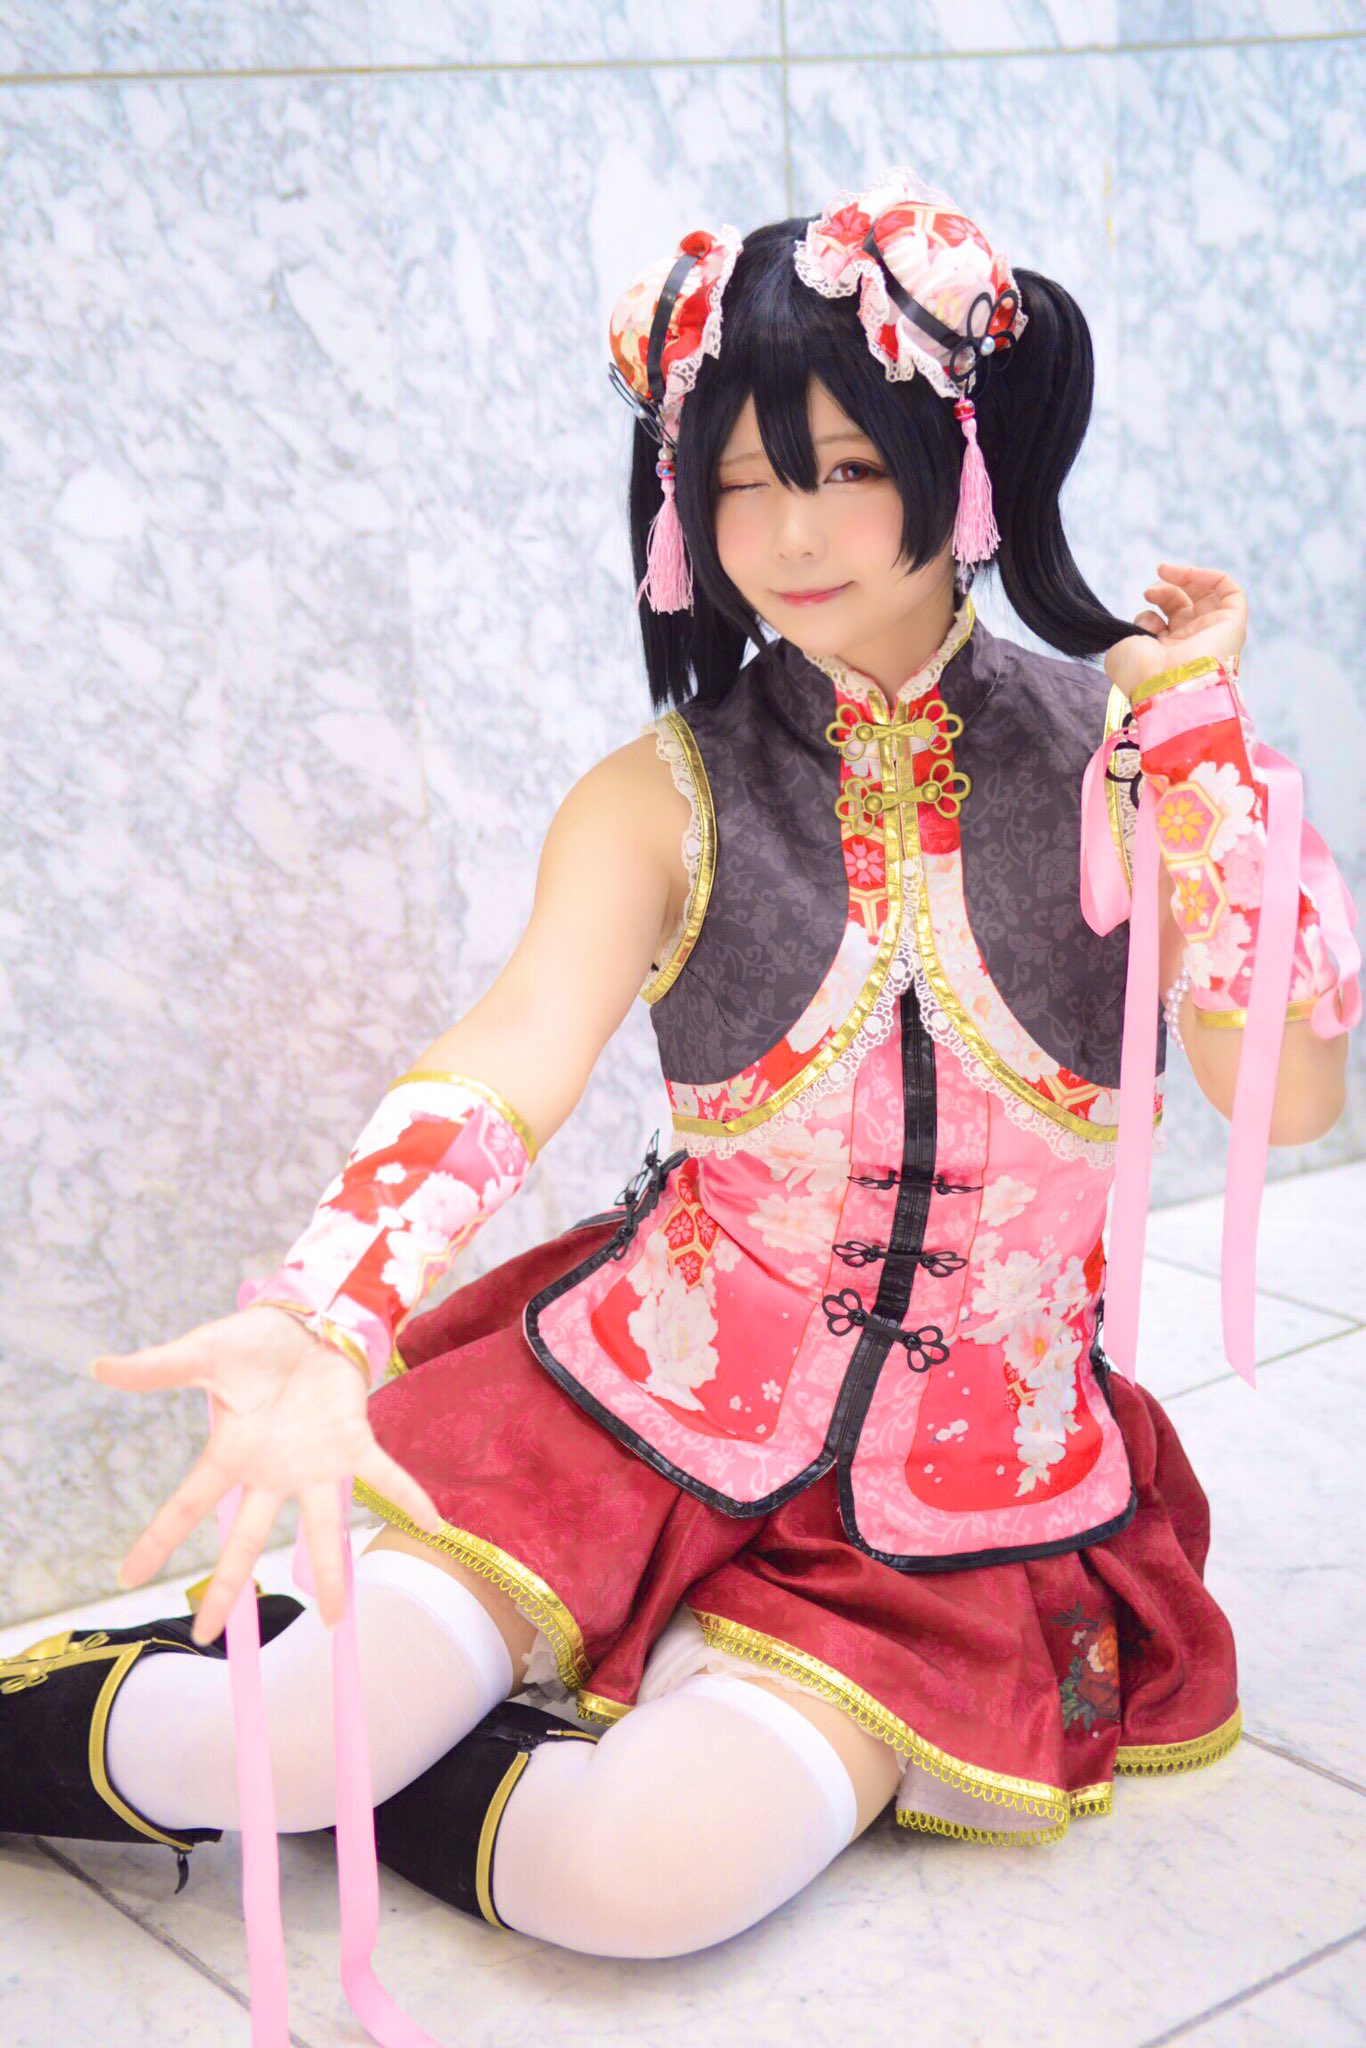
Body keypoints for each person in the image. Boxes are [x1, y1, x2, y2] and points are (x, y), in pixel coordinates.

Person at [4, 168, 1356, 2026]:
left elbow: (1282, 1101)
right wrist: (326, 1308)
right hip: (628, 1402)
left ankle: (472, 1734)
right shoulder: (661, 793)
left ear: (962, 459)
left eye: (840, 468)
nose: (782, 532)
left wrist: (1200, 752)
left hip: (959, 1504)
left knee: (641, 1884)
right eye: (729, 482)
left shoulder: (1131, 768)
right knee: (279, 1742)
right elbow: (510, 1047)